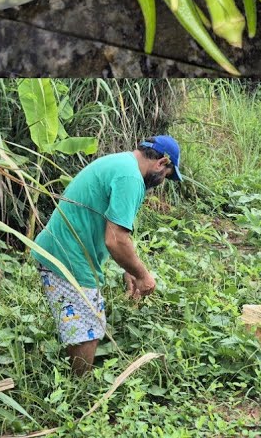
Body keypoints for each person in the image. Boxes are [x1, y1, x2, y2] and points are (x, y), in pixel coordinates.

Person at [31, 135, 183, 375]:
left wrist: (129, 269)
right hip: (69, 256)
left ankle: (72, 380)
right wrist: (143, 276)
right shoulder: (131, 178)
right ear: (161, 163)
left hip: (61, 250)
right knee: (88, 329)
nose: (162, 182)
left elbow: (111, 228)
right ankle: (78, 390)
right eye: (167, 175)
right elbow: (116, 240)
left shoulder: (122, 164)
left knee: (83, 324)